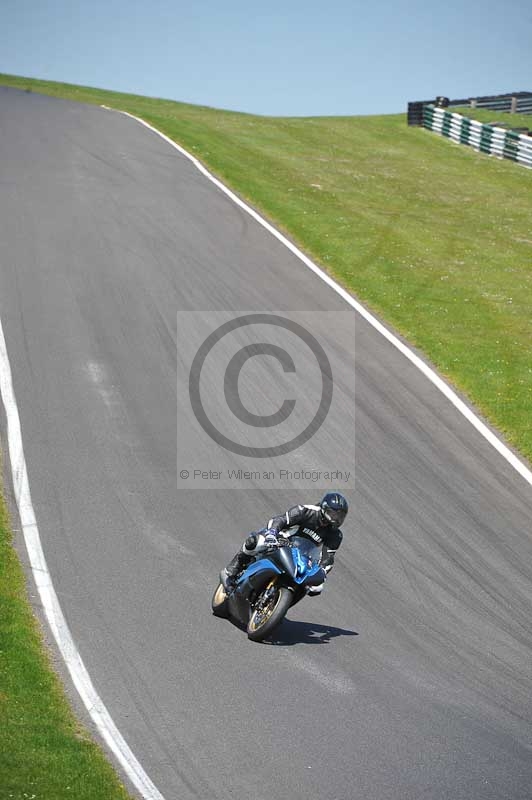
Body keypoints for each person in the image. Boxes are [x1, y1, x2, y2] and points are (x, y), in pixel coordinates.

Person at [222, 492, 348, 595]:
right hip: (280, 540)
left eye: (340, 516)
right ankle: (232, 571)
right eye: (333, 514)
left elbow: (328, 558)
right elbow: (280, 520)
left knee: (311, 585)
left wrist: (322, 574)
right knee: (255, 543)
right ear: (324, 508)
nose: (336, 519)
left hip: (303, 556)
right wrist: (271, 533)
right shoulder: (305, 511)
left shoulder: (336, 535)